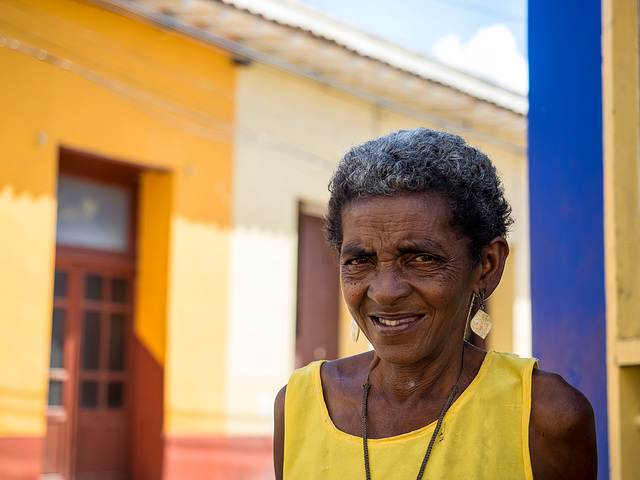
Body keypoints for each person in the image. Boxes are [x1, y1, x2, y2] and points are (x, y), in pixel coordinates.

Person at [274, 128, 597, 479]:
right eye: (359, 261)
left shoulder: (544, 417)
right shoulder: (298, 407)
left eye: (421, 258)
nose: (384, 292)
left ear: (487, 266)